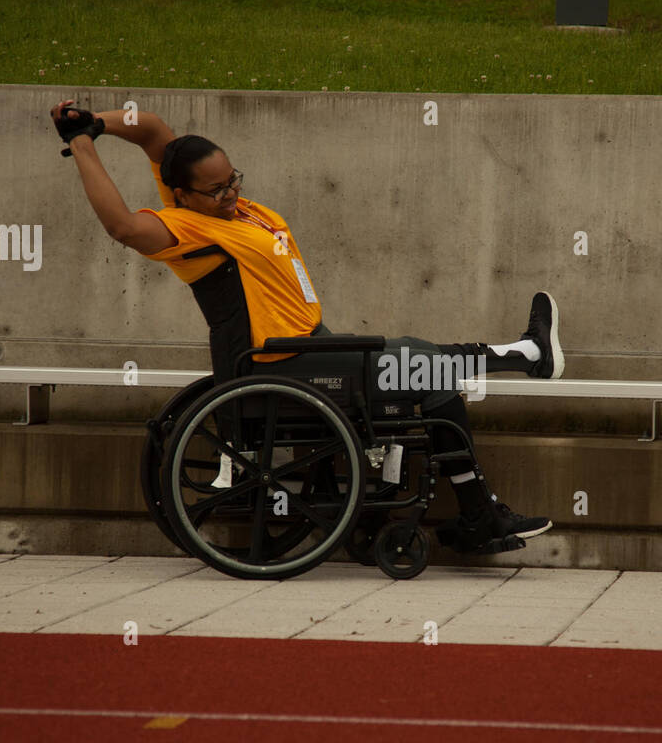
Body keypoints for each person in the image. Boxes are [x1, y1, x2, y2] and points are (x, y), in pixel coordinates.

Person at [51, 100, 563, 555]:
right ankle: (525, 359)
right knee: (423, 366)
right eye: (216, 189)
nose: (230, 193)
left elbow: (152, 127)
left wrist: (95, 122)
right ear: (182, 194)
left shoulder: (226, 206)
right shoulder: (186, 231)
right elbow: (120, 225)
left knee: (431, 381)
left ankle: (479, 510)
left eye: (234, 180)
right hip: (283, 362)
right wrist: (81, 145)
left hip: (312, 346)